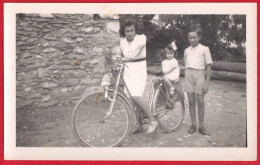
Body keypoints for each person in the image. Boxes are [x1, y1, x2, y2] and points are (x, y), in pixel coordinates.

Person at [119, 19, 158, 134]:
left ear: (135, 30)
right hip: (128, 71)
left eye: (132, 30)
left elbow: (137, 50)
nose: (130, 33)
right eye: (127, 31)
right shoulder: (122, 41)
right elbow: (122, 54)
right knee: (130, 99)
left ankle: (153, 121)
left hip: (139, 69)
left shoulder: (141, 38)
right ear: (124, 32)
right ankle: (139, 124)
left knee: (136, 96)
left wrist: (130, 57)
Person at [184, 26, 213, 135]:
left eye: (194, 37)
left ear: (199, 37)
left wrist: (207, 83)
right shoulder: (186, 50)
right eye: (189, 37)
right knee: (191, 101)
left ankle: (201, 126)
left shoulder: (205, 49)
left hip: (200, 74)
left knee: (200, 102)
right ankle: (193, 124)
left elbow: (208, 66)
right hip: (188, 74)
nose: (191, 40)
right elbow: (185, 62)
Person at [161, 43, 184, 107]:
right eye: (168, 53)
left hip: (173, 75)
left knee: (164, 77)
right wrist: (164, 72)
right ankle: (165, 100)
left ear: (174, 54)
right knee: (161, 80)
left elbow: (170, 70)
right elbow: (163, 69)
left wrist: (165, 73)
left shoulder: (174, 61)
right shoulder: (164, 62)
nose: (169, 55)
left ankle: (172, 88)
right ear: (165, 54)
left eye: (171, 53)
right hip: (168, 74)